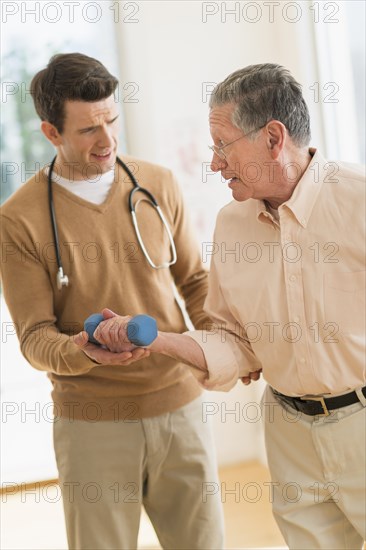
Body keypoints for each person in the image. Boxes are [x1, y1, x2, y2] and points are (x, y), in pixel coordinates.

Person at [88, 64, 366, 549]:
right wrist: (154, 339)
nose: (214, 163)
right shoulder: (233, 223)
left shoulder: (359, 201)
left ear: (273, 138)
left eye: (222, 145)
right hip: (289, 430)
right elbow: (236, 341)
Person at [0, 52, 225, 550]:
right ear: (51, 133)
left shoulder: (158, 184)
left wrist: (219, 352)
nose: (106, 140)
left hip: (180, 408)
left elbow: (196, 283)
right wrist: (83, 347)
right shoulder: (20, 220)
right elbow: (35, 339)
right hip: (91, 424)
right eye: (87, 130)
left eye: (112, 120)